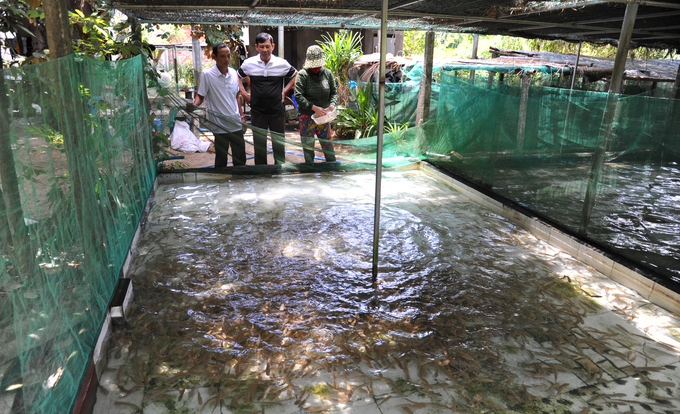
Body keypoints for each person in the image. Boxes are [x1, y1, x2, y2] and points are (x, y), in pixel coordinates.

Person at [238, 32, 297, 165]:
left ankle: (279, 169)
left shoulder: (281, 63)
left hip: (277, 111)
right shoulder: (249, 63)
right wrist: (244, 93)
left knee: (279, 143)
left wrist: (285, 91)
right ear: (256, 47)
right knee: (259, 144)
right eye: (262, 47)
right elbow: (237, 76)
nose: (265, 50)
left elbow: (295, 74)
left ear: (273, 46)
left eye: (267, 46)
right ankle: (261, 171)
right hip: (257, 111)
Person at [193, 42, 246, 167]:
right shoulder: (208, 75)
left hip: (235, 123)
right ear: (214, 57)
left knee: (240, 159)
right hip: (219, 125)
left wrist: (242, 116)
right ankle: (221, 185)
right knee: (221, 159)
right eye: (222, 56)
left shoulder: (233, 73)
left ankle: (240, 184)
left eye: (228, 56)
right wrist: (194, 105)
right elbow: (200, 95)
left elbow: (236, 96)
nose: (226, 59)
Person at [294, 45, 338, 163]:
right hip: (306, 118)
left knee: (327, 144)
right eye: (314, 66)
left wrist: (333, 104)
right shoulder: (302, 75)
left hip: (323, 117)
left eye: (318, 65)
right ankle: (310, 169)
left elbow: (334, 92)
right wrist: (314, 108)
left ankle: (331, 166)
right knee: (308, 146)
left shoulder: (327, 74)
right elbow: (298, 96)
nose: (316, 68)